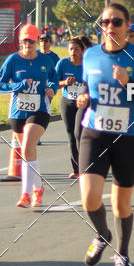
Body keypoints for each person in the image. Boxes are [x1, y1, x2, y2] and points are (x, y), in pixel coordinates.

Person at [76, 3, 134, 266]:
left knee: (120, 203)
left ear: (127, 25)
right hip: (95, 132)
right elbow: (86, 85)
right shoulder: (91, 55)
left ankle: (122, 253)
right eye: (105, 22)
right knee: (89, 198)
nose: (110, 26)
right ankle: (102, 234)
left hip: (129, 136)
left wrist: (127, 84)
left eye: (116, 21)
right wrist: (83, 97)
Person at [0, 24, 58, 208]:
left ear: (36, 41)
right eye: (24, 41)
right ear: (20, 41)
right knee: (28, 152)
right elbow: (0, 84)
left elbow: (54, 79)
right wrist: (19, 85)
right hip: (18, 111)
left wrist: (52, 88)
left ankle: (25, 194)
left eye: (31, 41)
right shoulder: (13, 60)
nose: (28, 44)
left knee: (27, 148)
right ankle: (38, 189)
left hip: (39, 109)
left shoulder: (45, 60)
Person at [55, 37, 86, 178]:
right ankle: (77, 169)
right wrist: (64, 82)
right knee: (71, 135)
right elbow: (53, 83)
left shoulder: (87, 65)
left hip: (84, 103)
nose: (73, 52)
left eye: (76, 49)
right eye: (71, 49)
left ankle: (86, 165)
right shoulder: (63, 64)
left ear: (82, 51)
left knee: (79, 133)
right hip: (68, 101)